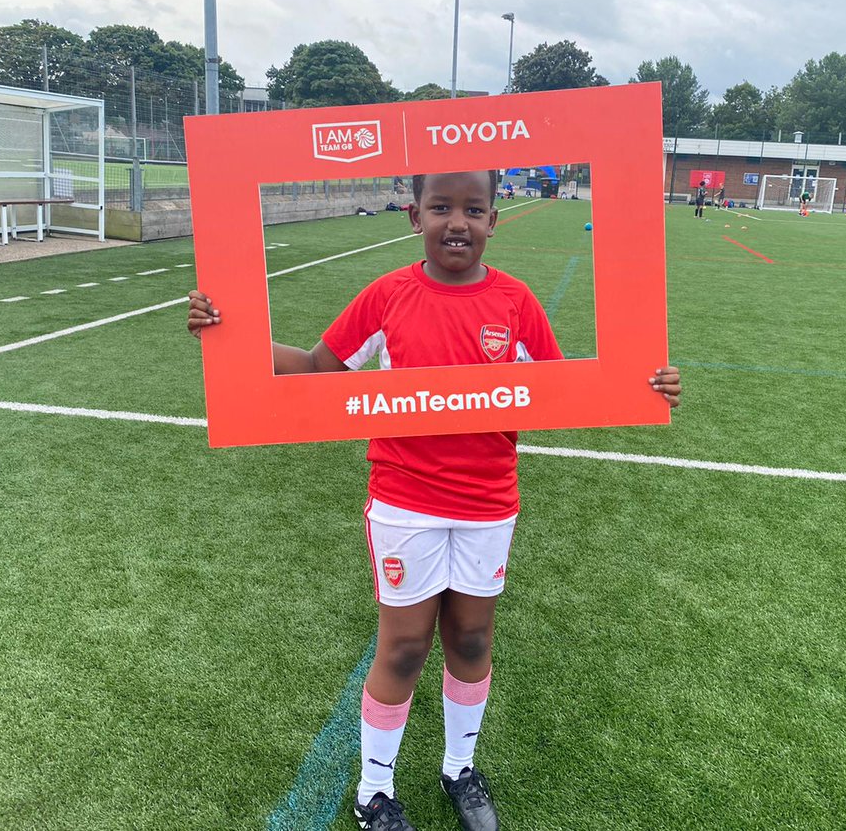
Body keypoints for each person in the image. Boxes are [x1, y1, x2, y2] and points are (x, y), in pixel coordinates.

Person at [188, 170, 682, 831]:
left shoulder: (515, 302)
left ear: (494, 220)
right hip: (405, 500)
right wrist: (228, 341)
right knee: (403, 647)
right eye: (441, 206)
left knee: (472, 638)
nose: (458, 222)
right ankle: (374, 793)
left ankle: (459, 769)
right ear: (413, 214)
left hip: (487, 501)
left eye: (473, 209)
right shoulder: (387, 296)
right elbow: (315, 370)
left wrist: (646, 386)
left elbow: (569, 389)